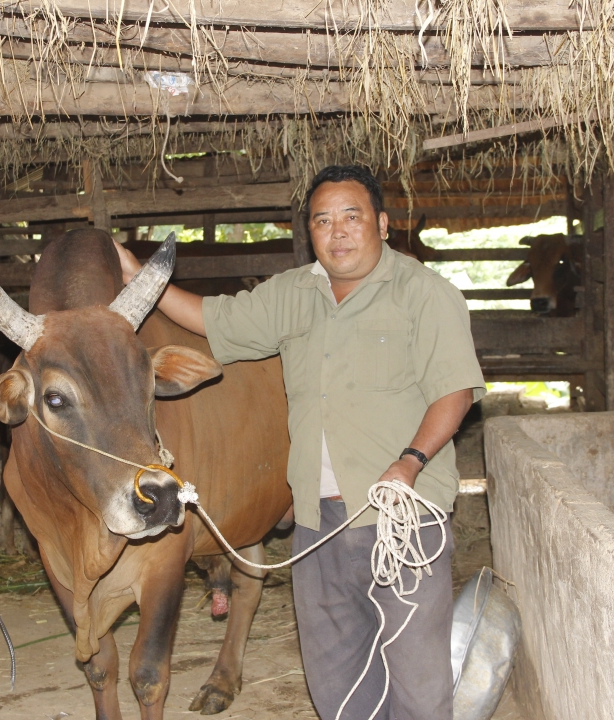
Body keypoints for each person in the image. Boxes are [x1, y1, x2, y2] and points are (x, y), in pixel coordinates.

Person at [115, 165, 485, 720]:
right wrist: (138, 274)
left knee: (417, 678)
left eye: (352, 217)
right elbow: (211, 320)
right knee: (336, 675)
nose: (337, 231)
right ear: (309, 231)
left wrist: (410, 463)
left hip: (403, 518)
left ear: (382, 224)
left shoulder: (425, 295)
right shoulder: (293, 294)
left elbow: (455, 391)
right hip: (318, 521)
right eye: (322, 220)